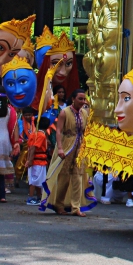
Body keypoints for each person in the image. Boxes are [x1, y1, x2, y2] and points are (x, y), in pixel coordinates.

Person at [47, 88, 88, 216]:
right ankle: (58, 204)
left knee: (78, 176)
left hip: (80, 146)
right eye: (80, 99)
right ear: (73, 99)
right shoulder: (64, 112)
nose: (82, 101)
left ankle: (76, 207)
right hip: (66, 145)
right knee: (63, 176)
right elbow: (58, 131)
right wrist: (59, 148)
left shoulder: (84, 113)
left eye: (84, 99)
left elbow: (87, 131)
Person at [25, 117, 50, 205]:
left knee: (39, 180)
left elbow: (30, 147)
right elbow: (33, 147)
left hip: (39, 161)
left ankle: (39, 197)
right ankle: (30, 198)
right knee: (34, 180)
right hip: (37, 161)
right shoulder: (41, 135)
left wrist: (28, 159)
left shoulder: (33, 134)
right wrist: (30, 160)